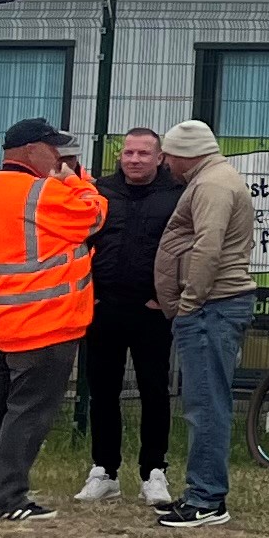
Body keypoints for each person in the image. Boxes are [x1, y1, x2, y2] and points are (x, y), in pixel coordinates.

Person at [0, 117, 106, 521]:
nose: (58, 157)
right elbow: (93, 216)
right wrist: (78, 180)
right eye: (53, 148)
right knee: (28, 413)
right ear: (30, 150)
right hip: (44, 325)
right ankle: (7, 499)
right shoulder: (43, 193)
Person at [151, 118, 256, 528]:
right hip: (213, 305)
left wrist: (189, 303)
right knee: (205, 402)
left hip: (212, 307)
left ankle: (207, 499)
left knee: (206, 404)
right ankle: (203, 491)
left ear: (185, 154)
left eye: (169, 155)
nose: (165, 163)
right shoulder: (214, 179)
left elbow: (207, 247)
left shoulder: (211, 185)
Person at [76, 127, 183, 506]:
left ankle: (154, 472)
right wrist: (88, 295)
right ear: (120, 156)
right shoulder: (100, 192)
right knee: (103, 391)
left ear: (160, 158)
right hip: (103, 307)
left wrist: (168, 297)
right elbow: (79, 241)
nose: (134, 160)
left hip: (152, 310)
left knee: (155, 390)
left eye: (143, 153)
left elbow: (188, 248)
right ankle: (104, 471)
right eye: (129, 153)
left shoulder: (177, 195)